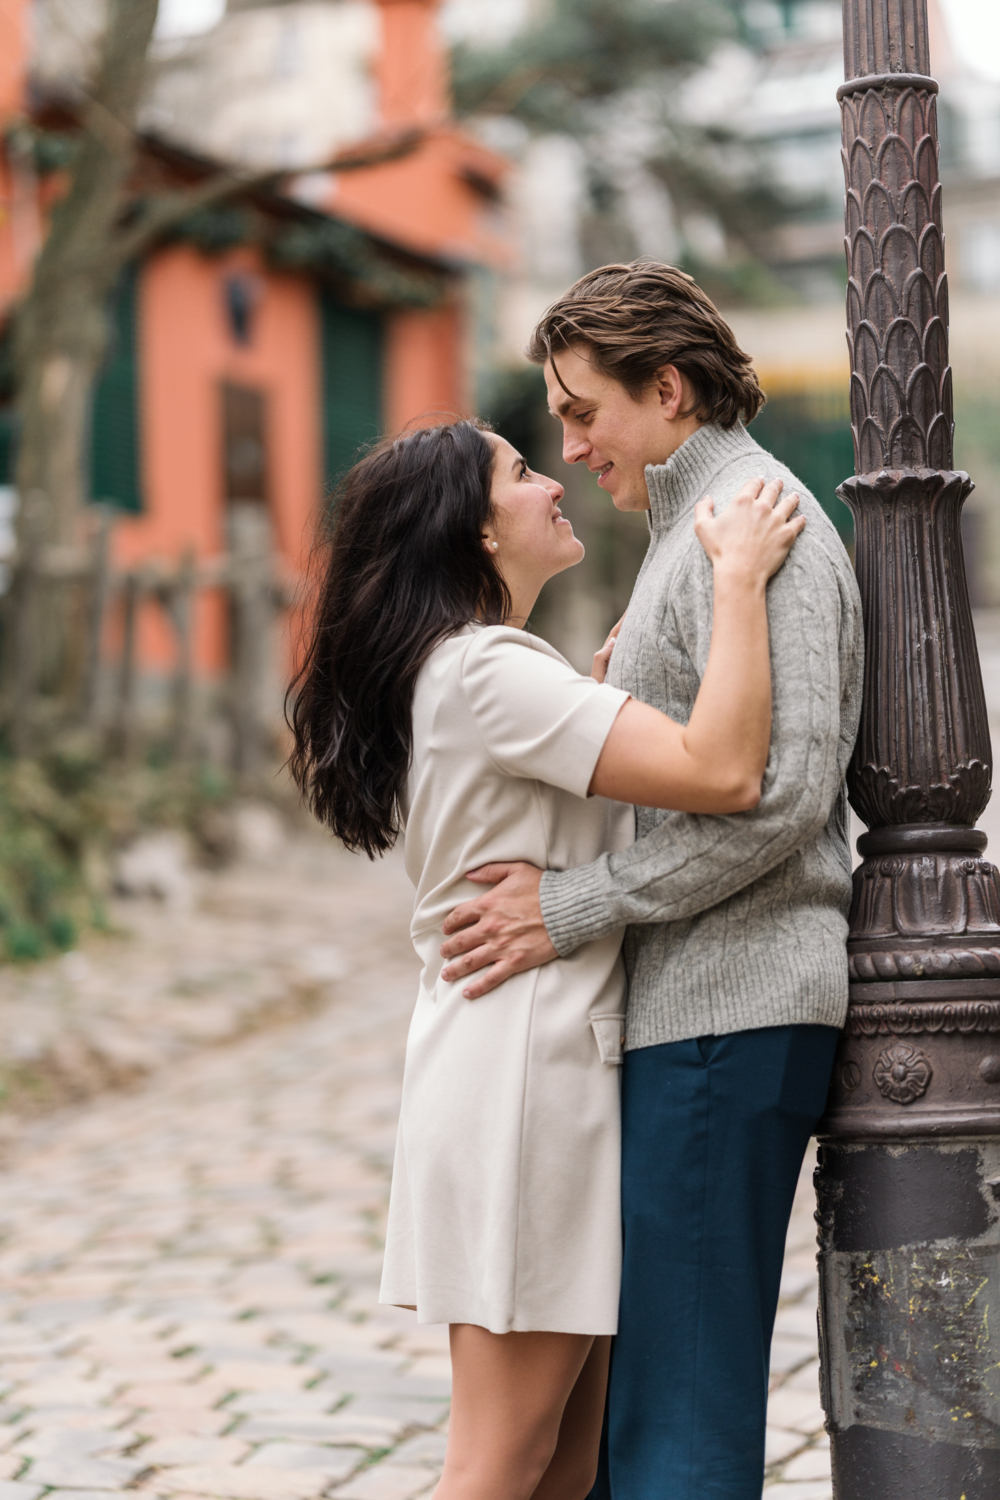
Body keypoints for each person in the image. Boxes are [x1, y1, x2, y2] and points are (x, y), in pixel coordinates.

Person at [288, 414, 804, 1500]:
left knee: (564, 1471)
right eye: (521, 471)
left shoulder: (483, 673)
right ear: (472, 531)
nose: (553, 480)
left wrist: (600, 679)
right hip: (526, 1082)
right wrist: (740, 581)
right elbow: (723, 773)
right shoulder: (486, 673)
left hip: (528, 1066)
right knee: (499, 1465)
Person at [437, 263, 865, 1500]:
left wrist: (565, 909)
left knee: (675, 1413)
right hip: (690, 1011)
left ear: (666, 388)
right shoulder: (691, 529)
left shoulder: (752, 519)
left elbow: (777, 799)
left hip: (730, 1010)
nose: (568, 448)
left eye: (582, 413)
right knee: (639, 1419)